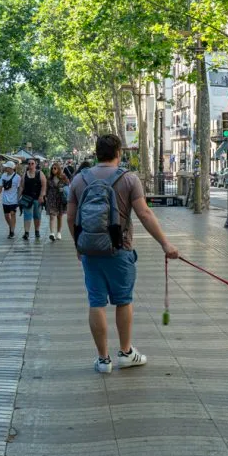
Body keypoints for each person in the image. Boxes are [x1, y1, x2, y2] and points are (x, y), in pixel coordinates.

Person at [67, 133, 179, 375]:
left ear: (96, 153)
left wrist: (79, 245)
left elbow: (70, 216)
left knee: (96, 301)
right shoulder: (128, 179)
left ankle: (103, 359)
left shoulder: (79, 180)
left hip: (90, 251)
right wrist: (165, 244)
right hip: (120, 249)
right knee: (123, 300)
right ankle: (126, 353)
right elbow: (145, 214)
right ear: (119, 153)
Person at [20, 158, 47, 241]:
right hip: (27, 198)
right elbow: (21, 186)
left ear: (35, 164)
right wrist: (18, 197)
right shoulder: (25, 174)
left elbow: (44, 185)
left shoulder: (40, 173)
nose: (30, 165)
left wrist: (41, 196)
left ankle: (37, 231)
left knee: (37, 216)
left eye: (32, 163)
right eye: (29, 164)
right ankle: (26, 233)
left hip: (37, 198)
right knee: (27, 216)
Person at [0, 160, 21, 239]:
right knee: (6, 216)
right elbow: (0, 187)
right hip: (5, 200)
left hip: (14, 200)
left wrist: (19, 198)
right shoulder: (3, 176)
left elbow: (19, 188)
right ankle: (11, 227)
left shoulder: (17, 177)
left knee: (13, 214)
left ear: (11, 168)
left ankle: (12, 231)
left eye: (6, 167)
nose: (5, 168)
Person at [46, 161, 68, 241]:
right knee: (52, 216)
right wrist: (45, 197)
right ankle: (52, 233)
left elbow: (67, 186)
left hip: (61, 198)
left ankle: (58, 232)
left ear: (58, 169)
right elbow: (47, 189)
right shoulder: (49, 178)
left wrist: (63, 189)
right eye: (52, 168)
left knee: (59, 217)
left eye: (55, 168)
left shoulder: (63, 177)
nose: (53, 170)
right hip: (51, 199)